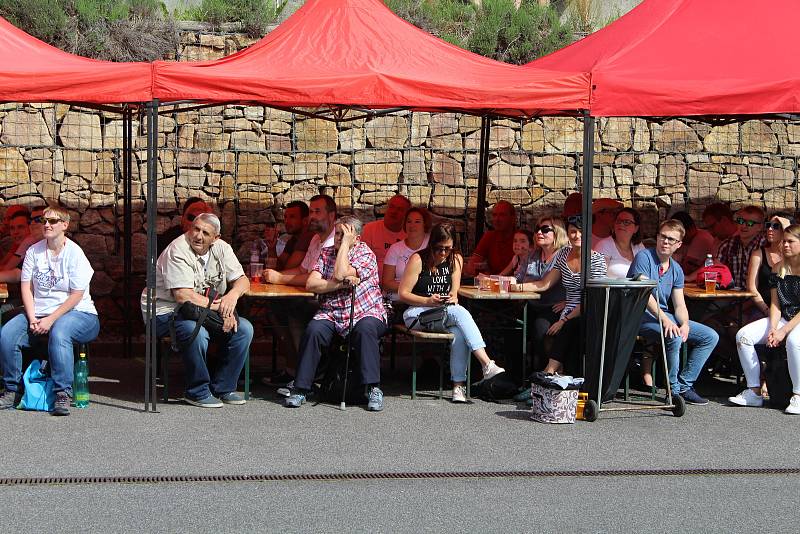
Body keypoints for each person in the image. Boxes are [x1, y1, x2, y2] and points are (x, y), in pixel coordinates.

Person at [143, 212, 252, 408]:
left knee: (244, 330)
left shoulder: (222, 248)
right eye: (195, 229)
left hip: (202, 310)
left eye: (205, 233)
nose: (198, 236)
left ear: (215, 238)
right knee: (196, 331)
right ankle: (197, 391)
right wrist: (224, 310)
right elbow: (183, 296)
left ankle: (223, 388)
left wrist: (232, 296)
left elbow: (243, 281)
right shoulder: (177, 249)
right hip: (164, 311)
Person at [0, 206, 100, 416]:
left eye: (53, 221)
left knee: (60, 331)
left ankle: (62, 392)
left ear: (65, 225)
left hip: (79, 313)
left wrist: (51, 319)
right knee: (8, 333)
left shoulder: (75, 254)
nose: (47, 225)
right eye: (44, 221)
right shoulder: (34, 251)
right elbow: (26, 287)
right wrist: (33, 317)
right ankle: (12, 389)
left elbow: (76, 295)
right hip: (40, 313)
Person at [284, 216, 387, 411]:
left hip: (365, 310)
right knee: (314, 330)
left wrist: (345, 250)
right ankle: (301, 388)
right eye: (338, 234)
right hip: (332, 311)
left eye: (344, 235)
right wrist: (339, 284)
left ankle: (373, 388)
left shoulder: (366, 254)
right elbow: (311, 283)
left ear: (356, 238)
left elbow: (340, 272)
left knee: (365, 330)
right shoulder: (326, 253)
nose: (338, 238)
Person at [399, 223, 505, 403]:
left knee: (458, 331)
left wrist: (448, 299)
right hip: (417, 313)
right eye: (438, 249)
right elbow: (403, 294)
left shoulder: (455, 259)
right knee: (459, 313)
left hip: (445, 311)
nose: (442, 253)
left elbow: (454, 293)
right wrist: (427, 301)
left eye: (447, 249)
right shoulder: (418, 259)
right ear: (431, 244)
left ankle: (458, 386)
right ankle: (486, 363)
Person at [627, 220, 719, 405]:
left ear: (679, 244)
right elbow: (644, 294)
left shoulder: (676, 269)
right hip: (639, 315)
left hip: (665, 316)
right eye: (662, 236)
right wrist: (665, 320)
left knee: (710, 336)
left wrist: (684, 323)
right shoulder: (644, 257)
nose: (665, 242)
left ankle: (685, 385)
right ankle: (673, 390)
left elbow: (679, 305)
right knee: (674, 335)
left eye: (671, 239)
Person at [515, 215, 607, 375]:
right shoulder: (564, 254)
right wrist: (517, 287)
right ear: (567, 234)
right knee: (541, 328)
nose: (577, 236)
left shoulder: (596, 260)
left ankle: (548, 373)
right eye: (573, 232)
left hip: (588, 309)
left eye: (581, 232)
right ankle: (553, 379)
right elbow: (545, 284)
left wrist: (564, 319)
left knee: (567, 327)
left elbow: (592, 298)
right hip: (567, 308)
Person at [729, 224, 800, 414]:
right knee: (743, 336)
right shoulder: (778, 269)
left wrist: (783, 331)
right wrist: (773, 328)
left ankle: (798, 395)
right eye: (784, 241)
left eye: (790, 241)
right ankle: (754, 391)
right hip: (784, 317)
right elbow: (776, 304)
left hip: (798, 320)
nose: (785, 245)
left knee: (793, 341)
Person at [501, 219, 568, 370]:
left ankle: (544, 377)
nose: (539, 232)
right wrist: (507, 280)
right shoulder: (534, 254)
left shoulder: (564, 254)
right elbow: (519, 278)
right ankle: (515, 378)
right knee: (511, 328)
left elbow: (544, 284)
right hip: (532, 305)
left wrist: (569, 301)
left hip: (555, 307)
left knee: (540, 330)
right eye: (537, 229)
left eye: (545, 229)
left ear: (558, 232)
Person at [263, 194, 336, 287]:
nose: (312, 216)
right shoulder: (315, 239)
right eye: (311, 212)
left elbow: (316, 278)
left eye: (317, 212)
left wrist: (279, 278)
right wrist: (272, 275)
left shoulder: (335, 240)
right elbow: (301, 270)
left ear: (331, 216)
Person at [746, 214, 792, 319]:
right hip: (763, 308)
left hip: (790, 309)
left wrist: (788, 233)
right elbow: (752, 287)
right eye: (768, 225)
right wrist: (766, 310)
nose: (770, 229)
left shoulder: (794, 255)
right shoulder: (758, 254)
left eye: (776, 226)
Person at [382, 207, 431, 302]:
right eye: (409, 221)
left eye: (417, 222)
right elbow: (387, 284)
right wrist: (414, 287)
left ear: (425, 224)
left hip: (425, 300)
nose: (412, 225)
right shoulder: (395, 249)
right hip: (396, 301)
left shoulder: (432, 245)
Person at [361, 194, 411, 278]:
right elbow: (362, 261)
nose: (394, 211)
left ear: (406, 215)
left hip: (402, 283)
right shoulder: (369, 229)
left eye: (400, 209)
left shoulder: (410, 234)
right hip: (374, 283)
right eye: (392, 207)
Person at [717, 205, 766, 288]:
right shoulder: (728, 244)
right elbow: (715, 269)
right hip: (732, 296)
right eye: (740, 221)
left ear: (760, 227)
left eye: (750, 223)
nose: (743, 226)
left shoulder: (765, 245)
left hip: (758, 296)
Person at [463, 201, 517, 276]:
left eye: (502, 215)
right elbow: (472, 267)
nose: (497, 219)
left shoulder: (521, 239)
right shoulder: (489, 236)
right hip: (493, 283)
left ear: (513, 218)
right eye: (494, 215)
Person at [593, 207, 645, 279]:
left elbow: (646, 272)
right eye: (618, 221)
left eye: (626, 222)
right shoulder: (604, 245)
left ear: (636, 228)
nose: (621, 224)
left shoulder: (639, 246)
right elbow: (597, 278)